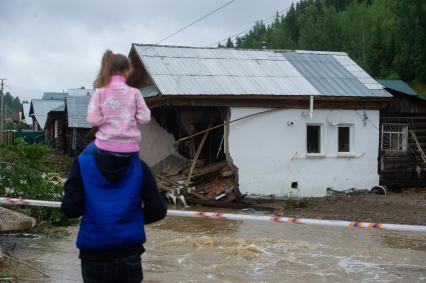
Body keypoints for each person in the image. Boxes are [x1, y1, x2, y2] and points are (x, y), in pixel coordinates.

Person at [61, 142, 167, 283]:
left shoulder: (82, 164)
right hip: (129, 255)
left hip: (94, 256)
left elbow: (71, 210)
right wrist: (131, 219)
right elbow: (158, 210)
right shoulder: (139, 166)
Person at [87, 50, 151, 154]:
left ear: (109, 69)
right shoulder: (135, 93)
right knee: (145, 170)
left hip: (104, 147)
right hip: (130, 149)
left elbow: (93, 120)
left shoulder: (100, 93)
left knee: (80, 162)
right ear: (128, 70)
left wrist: (105, 119)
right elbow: (145, 118)